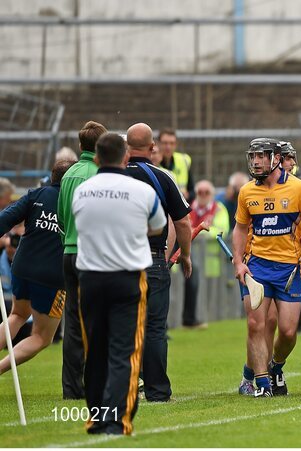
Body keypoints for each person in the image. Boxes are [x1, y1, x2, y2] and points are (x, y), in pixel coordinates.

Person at [72, 132, 167, 435]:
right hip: (127, 277)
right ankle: (118, 419)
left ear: (97, 158)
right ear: (125, 156)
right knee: (124, 350)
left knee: (95, 350)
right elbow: (158, 228)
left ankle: (97, 417)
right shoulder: (141, 191)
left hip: (89, 279)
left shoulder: (82, 191)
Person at [233, 138, 301, 398]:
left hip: (289, 269)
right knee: (257, 325)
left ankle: (276, 366)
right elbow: (241, 228)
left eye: (262, 156)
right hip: (257, 267)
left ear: (276, 158)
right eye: (253, 156)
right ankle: (262, 383)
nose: (256, 162)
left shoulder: (298, 189)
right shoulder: (247, 192)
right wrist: (238, 261)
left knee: (289, 332)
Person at [123, 123, 193, 403]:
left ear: (127, 147)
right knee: (154, 329)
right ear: (153, 148)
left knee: (120, 326)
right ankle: (157, 390)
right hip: (152, 261)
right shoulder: (161, 177)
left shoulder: (109, 178)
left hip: (115, 263)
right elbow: (183, 222)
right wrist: (184, 254)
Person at [0, 160, 71, 375]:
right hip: (53, 275)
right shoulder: (77, 202)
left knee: (17, 316)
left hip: (22, 267)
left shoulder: (36, 195)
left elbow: (4, 219)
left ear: (52, 177)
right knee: (42, 337)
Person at [57, 120, 107, 400]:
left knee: (73, 324)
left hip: (69, 251)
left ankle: (72, 388)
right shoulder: (101, 174)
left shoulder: (69, 173)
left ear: (80, 146)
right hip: (93, 254)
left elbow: (62, 218)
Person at [182, 180, 230, 329]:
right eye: (199, 192)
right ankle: (190, 320)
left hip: (212, 261)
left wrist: (198, 233)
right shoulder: (188, 208)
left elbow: (222, 230)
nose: (202, 195)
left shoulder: (219, 209)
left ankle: (207, 320)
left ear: (212, 194)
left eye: (206, 192)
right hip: (189, 259)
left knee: (210, 296)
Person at [158, 128, 195, 201]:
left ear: (176, 145)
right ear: (158, 144)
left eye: (171, 143)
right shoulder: (153, 163)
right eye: (165, 143)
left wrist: (187, 195)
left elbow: (192, 192)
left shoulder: (183, 160)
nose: (168, 147)